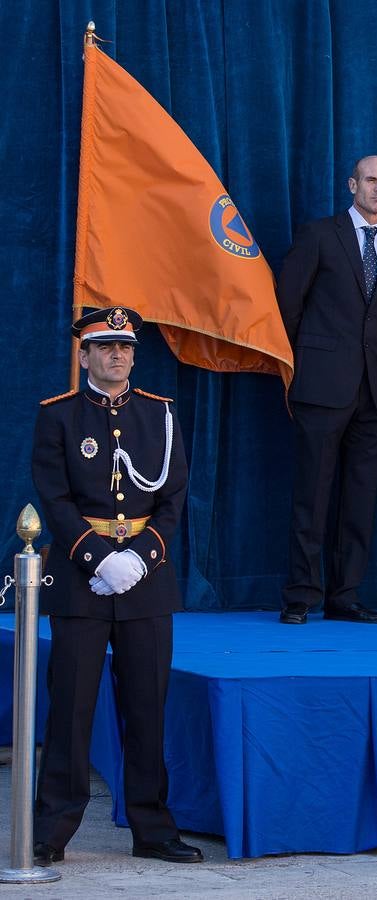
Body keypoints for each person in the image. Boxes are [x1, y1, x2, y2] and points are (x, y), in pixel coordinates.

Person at [30, 307, 202, 864]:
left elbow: (173, 498)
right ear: (84, 356)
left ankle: (152, 829)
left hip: (146, 580)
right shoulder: (57, 416)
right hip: (83, 581)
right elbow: (54, 498)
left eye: (124, 347)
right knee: (71, 709)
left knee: (147, 708)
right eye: (104, 347)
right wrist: (98, 558)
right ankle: (51, 830)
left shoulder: (162, 415)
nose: (116, 355)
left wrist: (142, 556)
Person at [276, 155, 377, 624]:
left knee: (360, 496)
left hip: (373, 391)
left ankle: (345, 594)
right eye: (372, 180)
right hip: (320, 385)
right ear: (352, 184)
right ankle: (300, 595)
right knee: (312, 495)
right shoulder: (318, 235)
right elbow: (287, 307)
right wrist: (306, 366)